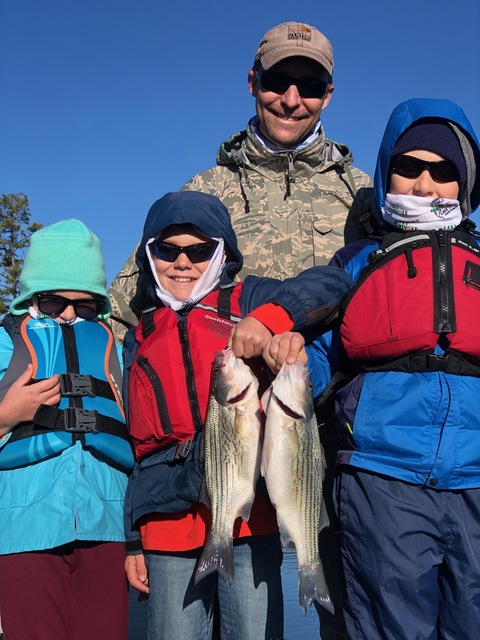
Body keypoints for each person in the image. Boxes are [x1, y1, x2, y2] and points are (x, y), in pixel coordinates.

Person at [284, 98, 480, 639]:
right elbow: (321, 356)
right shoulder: (357, 262)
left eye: (443, 172)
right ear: (385, 170)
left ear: (466, 182)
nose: (424, 183)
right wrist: (295, 365)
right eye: (408, 166)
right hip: (382, 482)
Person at [123, 190, 353, 640]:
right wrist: (133, 540)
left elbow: (334, 282)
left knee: (253, 631)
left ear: (222, 252)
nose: (183, 262)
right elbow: (134, 448)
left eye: (200, 249)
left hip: (251, 515)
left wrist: (271, 318)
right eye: (167, 251)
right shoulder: (139, 332)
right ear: (149, 256)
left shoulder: (251, 298)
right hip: (167, 520)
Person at [108, 20, 372, 341]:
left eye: (310, 87)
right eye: (276, 81)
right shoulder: (205, 191)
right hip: (227, 386)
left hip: (334, 389)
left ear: (327, 96)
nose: (291, 100)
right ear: (252, 83)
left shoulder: (365, 196)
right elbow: (121, 313)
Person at [0, 220, 134, 640]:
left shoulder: (115, 349)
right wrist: (8, 414)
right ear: (31, 297)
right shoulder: (6, 344)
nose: (72, 313)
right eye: (55, 302)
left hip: (107, 524)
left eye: (87, 304)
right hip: (24, 528)